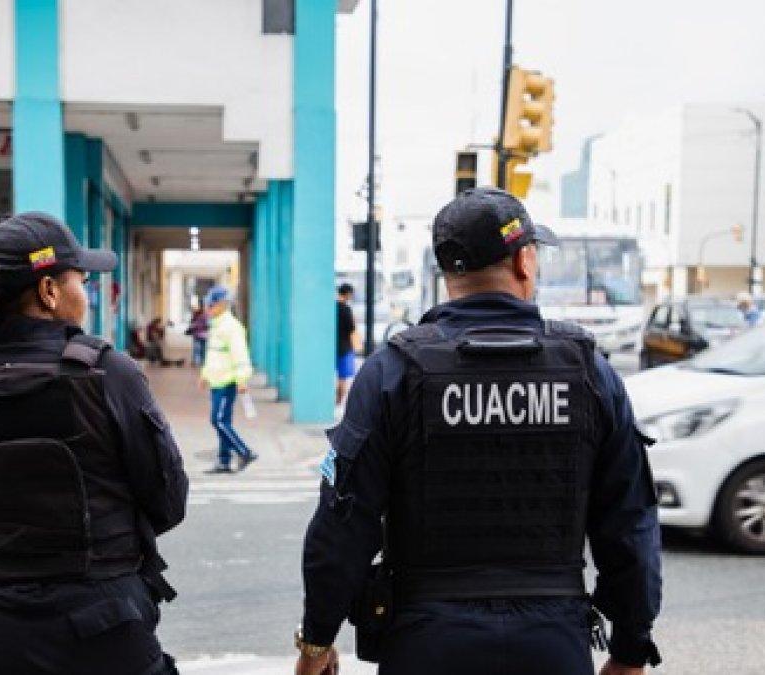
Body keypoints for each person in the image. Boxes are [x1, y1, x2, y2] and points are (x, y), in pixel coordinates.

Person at [295, 188, 662, 675]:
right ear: (525, 262)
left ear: (448, 274)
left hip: (426, 642)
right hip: (552, 643)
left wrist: (317, 639)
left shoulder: (393, 373)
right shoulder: (590, 372)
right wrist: (631, 647)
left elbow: (342, 524)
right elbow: (629, 522)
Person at [0, 212, 188, 675]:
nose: (83, 294)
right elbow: (168, 502)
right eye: (78, 281)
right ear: (49, 292)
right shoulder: (109, 374)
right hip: (103, 626)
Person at [200, 285, 257, 474]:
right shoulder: (216, 326)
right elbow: (213, 355)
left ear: (223, 305)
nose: (208, 309)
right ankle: (224, 461)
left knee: (218, 421)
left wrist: (242, 379)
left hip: (227, 382)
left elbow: (240, 355)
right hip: (216, 382)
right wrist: (205, 376)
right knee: (223, 420)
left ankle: (244, 451)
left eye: (212, 305)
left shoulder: (232, 328)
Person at [336, 283, 359, 409]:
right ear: (348, 294)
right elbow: (352, 328)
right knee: (342, 377)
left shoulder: (332, 308)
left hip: (332, 346)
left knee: (336, 376)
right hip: (344, 346)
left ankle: (334, 399)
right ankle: (338, 401)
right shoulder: (346, 309)